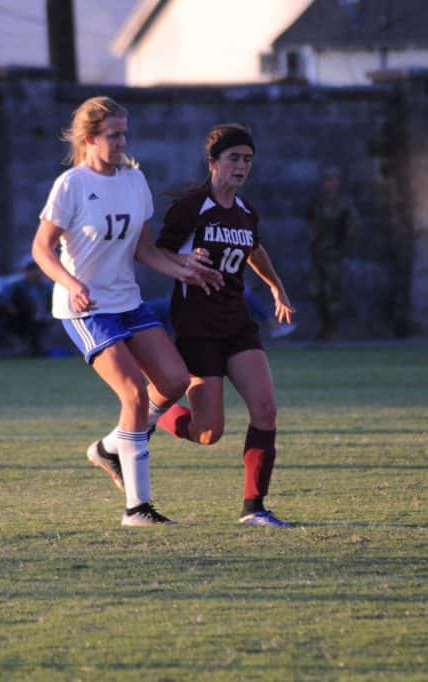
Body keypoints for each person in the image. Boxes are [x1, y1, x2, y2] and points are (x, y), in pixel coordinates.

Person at [31, 95, 222, 527]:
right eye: (113, 135)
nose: (121, 143)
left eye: (124, 135)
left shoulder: (135, 179)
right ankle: (137, 509)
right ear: (89, 138)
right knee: (134, 394)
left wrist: (184, 268)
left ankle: (111, 447)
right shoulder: (71, 185)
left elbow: (145, 250)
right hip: (87, 309)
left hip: (127, 301)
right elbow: (41, 249)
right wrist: (72, 284)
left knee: (174, 380)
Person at [154, 123, 296, 527]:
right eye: (234, 158)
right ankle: (151, 411)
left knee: (266, 410)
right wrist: (184, 262)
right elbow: (155, 252)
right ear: (213, 161)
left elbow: (254, 249)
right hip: (197, 328)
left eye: (248, 159)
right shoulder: (191, 207)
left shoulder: (247, 211)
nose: (241, 166)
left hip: (237, 324)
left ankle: (254, 509)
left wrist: (276, 287)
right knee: (207, 433)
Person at [306, 165, 357, 341]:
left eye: (333, 180)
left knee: (333, 294)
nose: (329, 183)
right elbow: (311, 223)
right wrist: (312, 242)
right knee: (316, 291)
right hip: (318, 254)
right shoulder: (318, 202)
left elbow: (351, 230)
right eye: (327, 180)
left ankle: (331, 330)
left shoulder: (344, 205)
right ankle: (325, 326)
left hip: (334, 256)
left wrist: (342, 251)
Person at [0, 259, 52, 356]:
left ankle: (37, 349)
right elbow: (6, 302)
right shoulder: (16, 286)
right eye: (30, 269)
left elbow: (50, 304)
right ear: (24, 271)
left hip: (42, 318)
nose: (34, 272)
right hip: (20, 318)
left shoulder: (46, 286)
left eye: (36, 269)